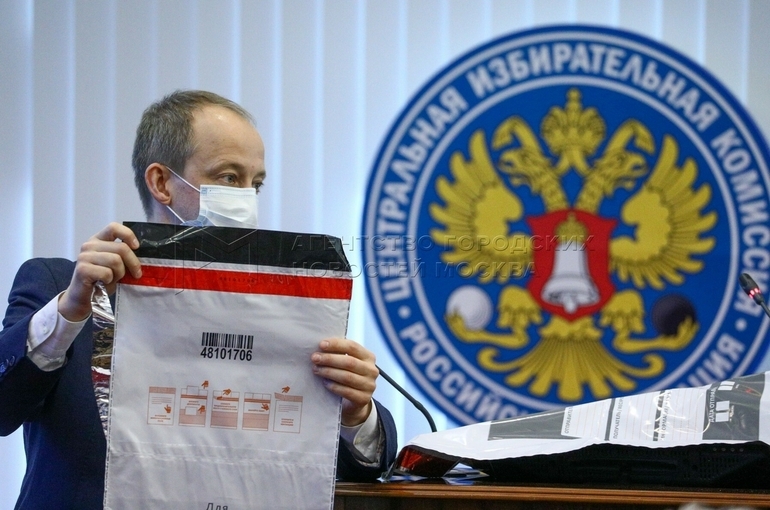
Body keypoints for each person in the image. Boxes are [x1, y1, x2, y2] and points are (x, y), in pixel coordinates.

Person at [0, 90, 397, 509]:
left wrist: (355, 413)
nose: (247, 197)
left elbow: (354, 467)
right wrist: (70, 311)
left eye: (256, 184)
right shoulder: (62, 287)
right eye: (229, 178)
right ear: (162, 183)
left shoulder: (277, 305)